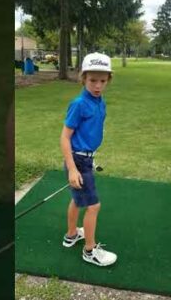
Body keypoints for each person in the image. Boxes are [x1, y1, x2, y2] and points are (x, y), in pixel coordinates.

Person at [60, 52, 117, 267]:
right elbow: (65, 137)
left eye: (103, 81)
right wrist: (73, 169)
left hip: (85, 159)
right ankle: (89, 250)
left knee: (77, 199)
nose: (98, 86)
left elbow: (88, 133)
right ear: (83, 78)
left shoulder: (99, 101)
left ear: (108, 80)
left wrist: (90, 156)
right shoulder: (79, 104)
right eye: (93, 80)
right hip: (77, 161)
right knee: (93, 206)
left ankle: (72, 234)